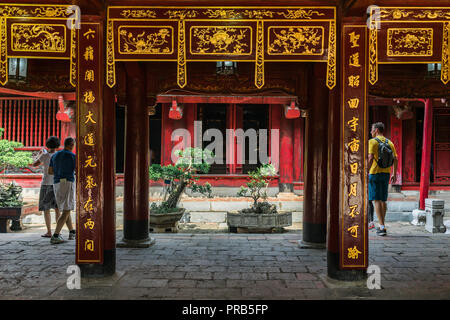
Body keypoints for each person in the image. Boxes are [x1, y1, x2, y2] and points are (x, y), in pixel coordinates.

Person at [368, 122, 398, 236]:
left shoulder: (372, 142)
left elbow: (370, 157)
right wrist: (394, 173)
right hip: (386, 173)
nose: (371, 132)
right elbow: (396, 158)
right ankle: (382, 225)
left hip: (374, 173)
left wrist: (366, 171)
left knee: (376, 200)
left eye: (371, 130)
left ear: (376, 130)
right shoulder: (389, 142)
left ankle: (382, 227)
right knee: (383, 200)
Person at [33, 136, 65, 237]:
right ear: (57, 145)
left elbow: (35, 164)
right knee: (57, 209)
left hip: (46, 183)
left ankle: (49, 232)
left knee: (46, 209)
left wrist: (39, 154)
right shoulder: (60, 155)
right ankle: (57, 232)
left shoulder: (45, 155)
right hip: (57, 183)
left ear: (47, 145)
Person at [49, 137, 76, 244]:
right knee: (66, 210)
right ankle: (55, 235)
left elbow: (50, 171)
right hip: (68, 181)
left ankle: (72, 232)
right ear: (71, 144)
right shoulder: (72, 156)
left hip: (56, 182)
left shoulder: (55, 155)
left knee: (66, 208)